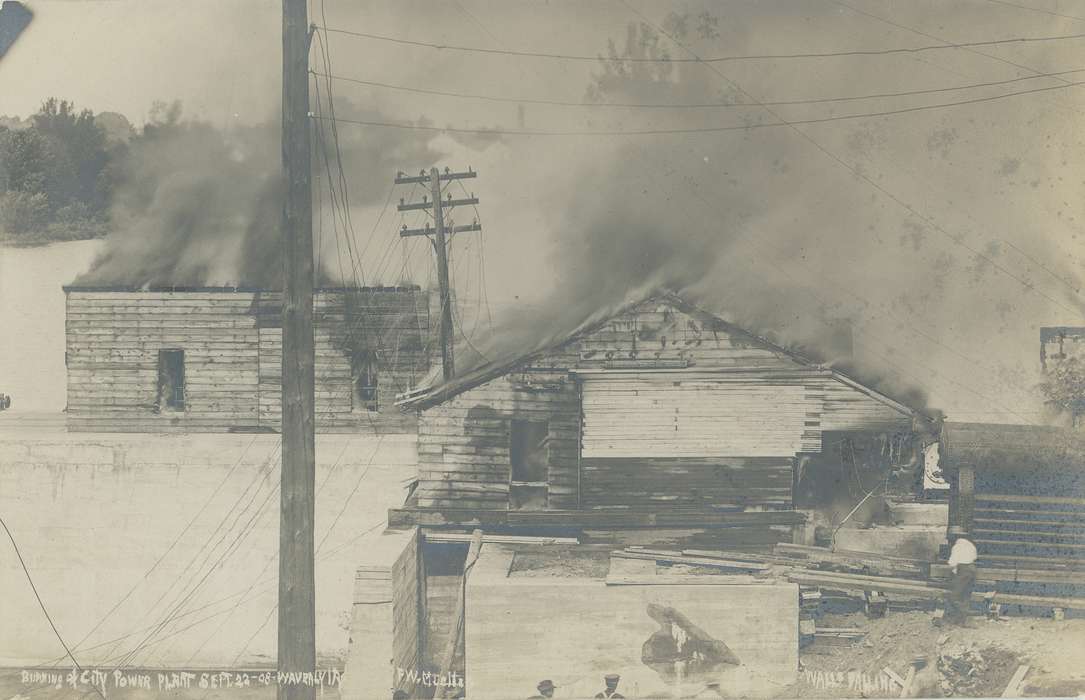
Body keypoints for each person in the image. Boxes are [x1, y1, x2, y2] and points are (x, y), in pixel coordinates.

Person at [941, 525, 977, 626]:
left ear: (954, 537)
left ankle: (950, 619)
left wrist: (950, 574)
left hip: (963, 571)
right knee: (965, 595)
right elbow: (974, 557)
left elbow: (952, 563)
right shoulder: (970, 544)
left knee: (954, 595)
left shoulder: (957, 546)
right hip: (972, 569)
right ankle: (961, 620)